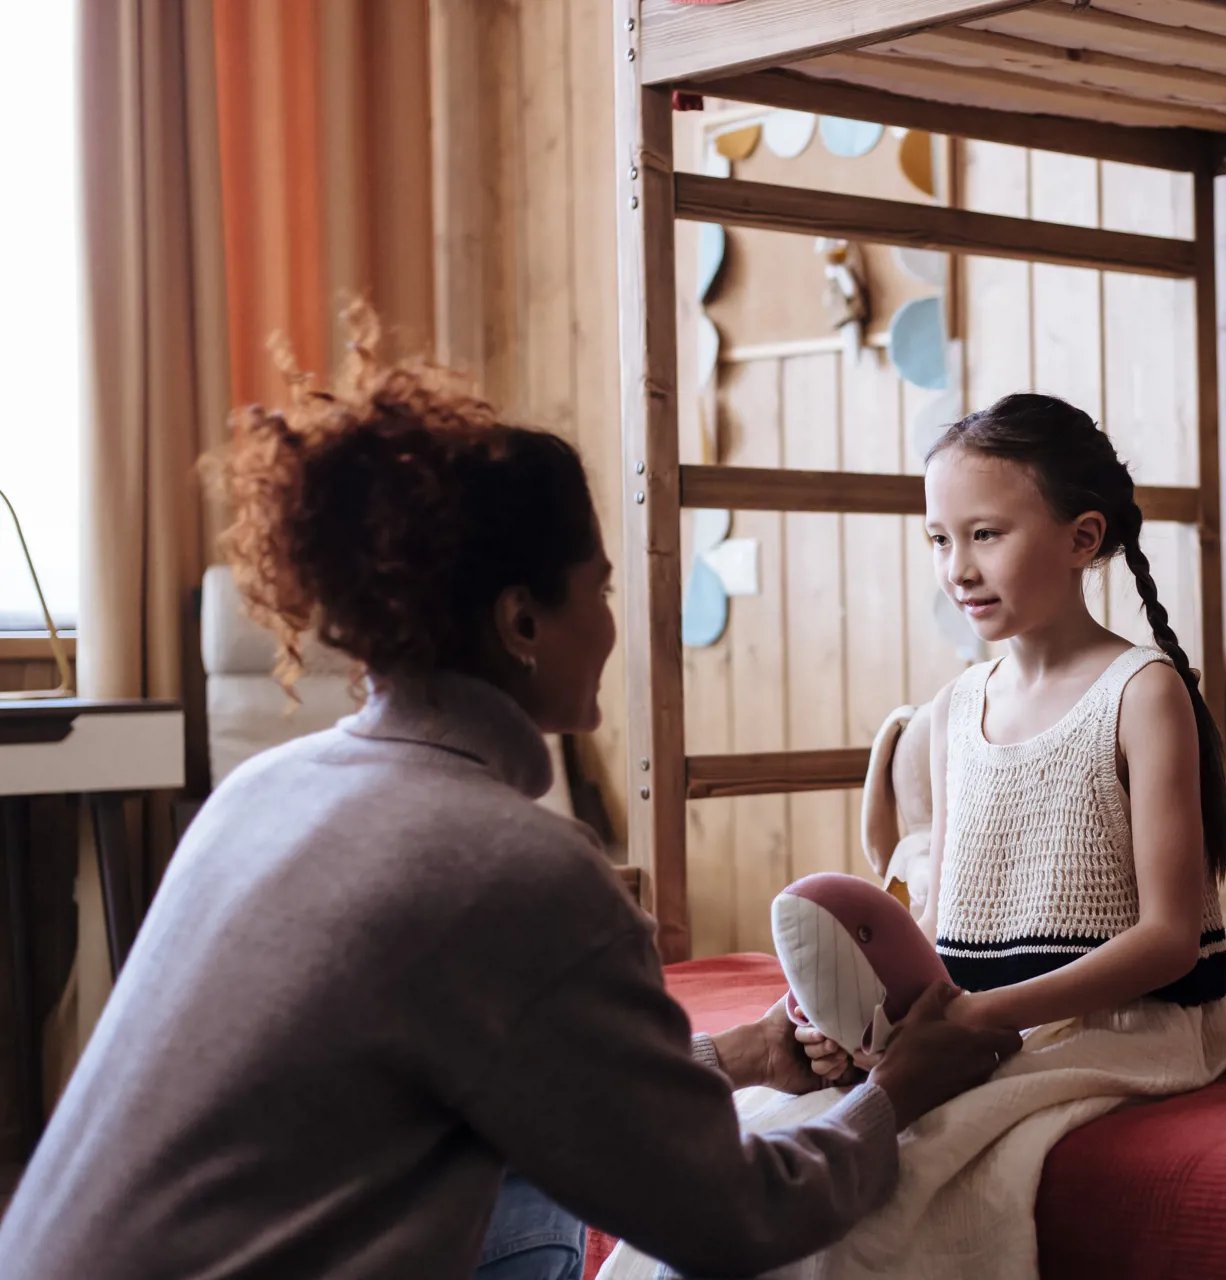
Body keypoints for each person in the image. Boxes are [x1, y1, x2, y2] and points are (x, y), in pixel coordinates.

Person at [0, 308, 1018, 1280]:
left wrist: (746, 1052)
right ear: (522, 619)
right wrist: (897, 1091)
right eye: (602, 589)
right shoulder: (516, 866)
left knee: (535, 1174)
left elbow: (498, 1075)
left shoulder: (265, 791)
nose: (614, 628)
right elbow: (739, 1213)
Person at [613, 393, 1226, 1280]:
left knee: (899, 1183)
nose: (959, 567)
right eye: (940, 541)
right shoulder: (950, 713)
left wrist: (984, 1016)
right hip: (981, 1019)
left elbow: (1170, 940)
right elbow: (941, 938)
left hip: (1116, 1023)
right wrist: (870, 1031)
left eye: (986, 534)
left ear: (1083, 537)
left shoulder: (1143, 692)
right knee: (742, 1153)